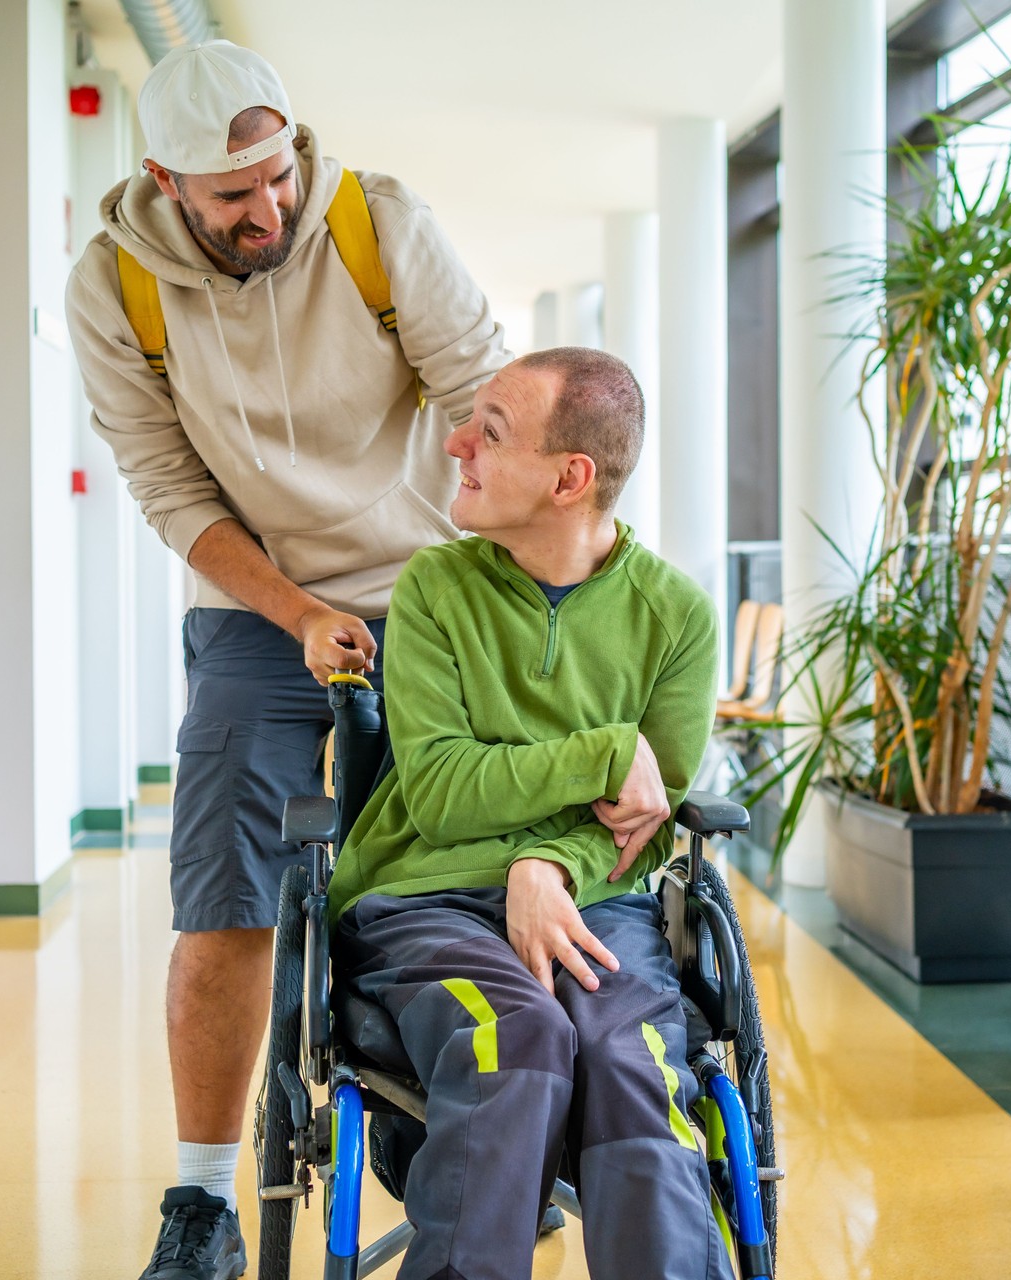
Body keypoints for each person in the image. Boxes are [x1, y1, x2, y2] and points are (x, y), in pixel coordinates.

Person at [63, 39, 508, 1280]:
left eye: (277, 179)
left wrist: (508, 589)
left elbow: (484, 395)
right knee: (223, 898)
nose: (267, 210)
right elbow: (167, 485)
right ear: (166, 180)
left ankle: (453, 1135)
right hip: (254, 603)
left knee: (447, 861)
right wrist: (297, 611)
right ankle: (200, 1200)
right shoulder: (115, 287)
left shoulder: (374, 223)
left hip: (427, 588)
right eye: (232, 196)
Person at [327, 347, 730, 1280]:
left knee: (633, 1065)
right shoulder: (436, 589)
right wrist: (599, 753)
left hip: (600, 904)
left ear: (569, 478)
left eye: (491, 431)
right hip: (426, 900)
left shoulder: (675, 617)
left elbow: (643, 824)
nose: (457, 443)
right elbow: (438, 790)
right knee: (517, 1037)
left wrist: (540, 869)